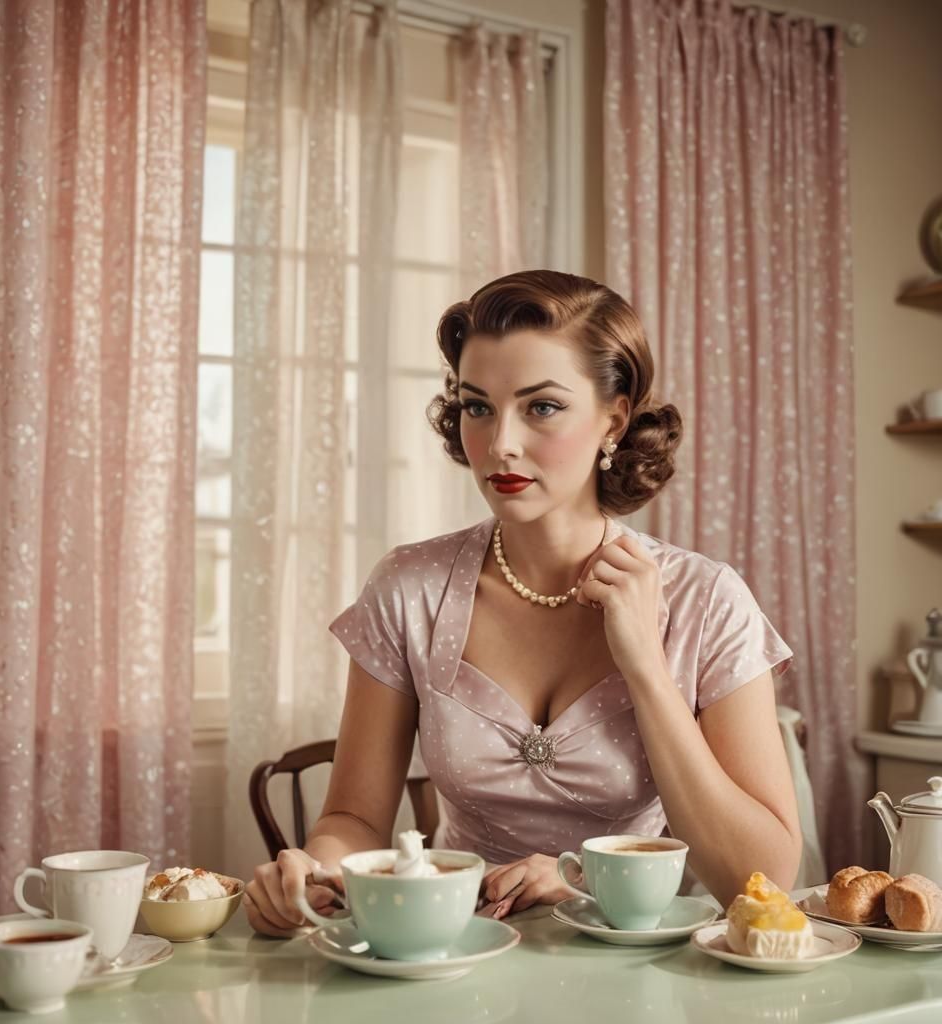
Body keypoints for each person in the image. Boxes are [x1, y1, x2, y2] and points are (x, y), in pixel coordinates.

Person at [244, 270, 802, 937]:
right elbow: (355, 819)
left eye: (541, 407)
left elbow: (763, 879)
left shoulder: (707, 600)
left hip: (645, 966)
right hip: (452, 955)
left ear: (614, 419)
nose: (500, 442)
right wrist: (313, 871)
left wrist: (647, 670)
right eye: (479, 406)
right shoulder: (408, 587)